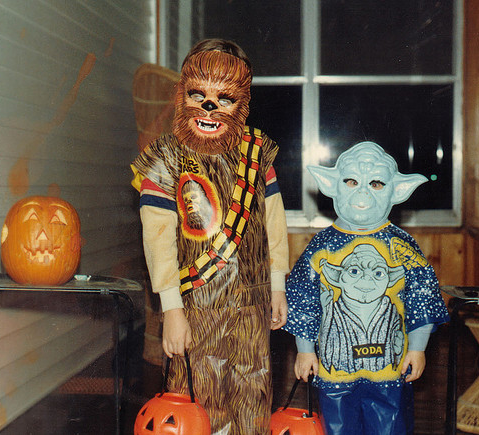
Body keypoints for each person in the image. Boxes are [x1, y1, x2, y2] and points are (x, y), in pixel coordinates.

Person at [131, 39, 289, 435]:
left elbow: (274, 223)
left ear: (243, 101)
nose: (208, 108)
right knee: (197, 400)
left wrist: (277, 285)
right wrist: (171, 310)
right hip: (194, 305)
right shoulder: (165, 159)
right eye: (197, 95)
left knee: (253, 395)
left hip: (252, 302)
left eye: (224, 98)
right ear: (181, 94)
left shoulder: (257, 155)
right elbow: (158, 240)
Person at [283, 141, 450, 434]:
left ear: (397, 191)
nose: (362, 192)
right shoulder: (321, 246)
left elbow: (421, 295)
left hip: (390, 370)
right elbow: (303, 297)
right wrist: (305, 350)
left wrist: (419, 347)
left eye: (376, 183)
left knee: (390, 426)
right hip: (335, 371)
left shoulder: (401, 245)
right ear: (331, 185)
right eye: (351, 181)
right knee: (338, 427)